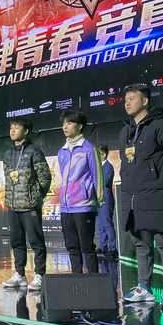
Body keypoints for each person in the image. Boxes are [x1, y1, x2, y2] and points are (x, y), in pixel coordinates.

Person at [120, 83, 163, 307]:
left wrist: (160, 176)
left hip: (157, 195)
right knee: (141, 244)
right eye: (126, 99)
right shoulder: (126, 131)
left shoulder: (161, 125)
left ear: (145, 101)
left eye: (132, 98)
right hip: (133, 197)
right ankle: (144, 288)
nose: (127, 103)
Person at [1, 116, 52, 290]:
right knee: (16, 242)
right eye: (11, 127)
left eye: (16, 127)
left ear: (26, 131)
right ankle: (20, 275)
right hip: (13, 206)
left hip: (30, 206)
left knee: (36, 242)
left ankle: (40, 275)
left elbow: (45, 178)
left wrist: (36, 196)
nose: (12, 130)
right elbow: (8, 180)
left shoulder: (34, 152)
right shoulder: (7, 154)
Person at [58, 110, 104, 274]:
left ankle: (93, 280)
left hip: (84, 205)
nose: (65, 126)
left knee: (87, 246)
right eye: (63, 123)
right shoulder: (62, 151)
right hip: (66, 207)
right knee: (71, 246)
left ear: (80, 126)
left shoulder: (90, 149)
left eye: (69, 123)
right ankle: (76, 278)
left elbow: (98, 176)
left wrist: (98, 201)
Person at [95, 144, 118, 258]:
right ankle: (103, 246)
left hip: (106, 200)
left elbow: (104, 181)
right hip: (98, 200)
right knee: (101, 225)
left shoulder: (108, 167)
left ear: (103, 155)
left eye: (97, 154)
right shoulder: (97, 167)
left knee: (107, 224)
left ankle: (112, 248)